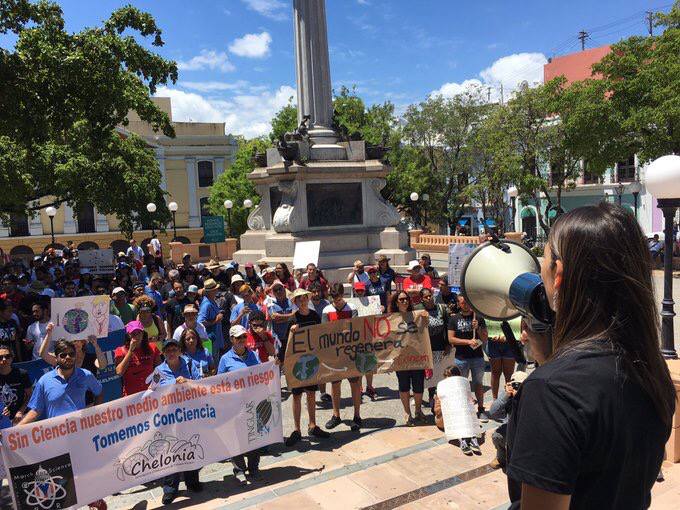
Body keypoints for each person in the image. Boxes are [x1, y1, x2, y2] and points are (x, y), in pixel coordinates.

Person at [506, 203, 676, 510]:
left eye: (542, 265)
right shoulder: (651, 369)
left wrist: (550, 377)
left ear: (558, 275)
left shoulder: (553, 392)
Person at [155, 337, 203, 504]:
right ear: (163, 353)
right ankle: (170, 489)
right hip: (169, 418)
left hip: (189, 415)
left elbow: (199, 383)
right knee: (171, 452)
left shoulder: (189, 364)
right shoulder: (158, 370)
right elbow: (152, 390)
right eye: (168, 350)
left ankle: (192, 482)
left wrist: (186, 382)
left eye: (174, 349)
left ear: (179, 350)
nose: (171, 352)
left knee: (190, 448)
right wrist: (172, 383)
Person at [218, 325, 264, 482]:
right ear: (231, 339)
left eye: (244, 336)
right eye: (238, 338)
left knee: (253, 437)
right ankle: (239, 468)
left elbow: (261, 374)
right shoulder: (225, 359)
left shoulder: (253, 355)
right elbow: (219, 383)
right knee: (235, 438)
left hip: (251, 404)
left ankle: (253, 467)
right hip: (233, 406)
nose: (242, 340)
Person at [285, 289, 330, 446]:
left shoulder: (314, 316)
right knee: (297, 396)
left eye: (304, 298)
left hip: (311, 360)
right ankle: (297, 430)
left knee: (311, 393)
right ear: (296, 302)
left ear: (307, 299)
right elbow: (287, 342)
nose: (303, 301)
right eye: (299, 299)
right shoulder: (293, 318)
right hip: (297, 362)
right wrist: (292, 332)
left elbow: (320, 336)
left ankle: (312, 424)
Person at [322, 283, 362, 431]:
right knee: (335, 384)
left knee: (355, 384)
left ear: (343, 295)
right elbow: (324, 331)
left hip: (351, 353)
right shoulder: (327, 310)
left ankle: (357, 415)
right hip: (334, 354)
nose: (336, 301)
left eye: (338, 298)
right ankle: (336, 415)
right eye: (334, 298)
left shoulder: (352, 308)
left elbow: (356, 327)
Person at [448, 295, 489, 422]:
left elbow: (484, 339)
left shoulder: (479, 318)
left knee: (478, 383)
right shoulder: (454, 319)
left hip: (477, 357)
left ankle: (481, 409)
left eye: (467, 302)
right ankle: (464, 410)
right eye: (462, 302)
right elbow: (451, 339)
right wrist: (468, 342)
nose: (465, 304)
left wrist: (479, 328)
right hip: (461, 358)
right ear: (459, 304)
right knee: (462, 385)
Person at [389, 291, 426, 425]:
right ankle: (407, 412)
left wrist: (425, 317)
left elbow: (423, 332)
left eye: (406, 299)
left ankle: (418, 410)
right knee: (404, 386)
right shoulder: (391, 318)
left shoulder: (416, 315)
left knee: (418, 386)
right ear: (396, 302)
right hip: (401, 358)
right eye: (401, 299)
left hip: (417, 357)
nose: (405, 301)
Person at [415, 287, 452, 411]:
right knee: (431, 378)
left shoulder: (441, 309)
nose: (429, 298)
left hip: (441, 348)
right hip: (428, 350)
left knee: (442, 375)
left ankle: (443, 400)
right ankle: (432, 402)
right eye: (425, 297)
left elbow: (448, 326)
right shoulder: (419, 311)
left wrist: (448, 343)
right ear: (422, 299)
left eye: (430, 295)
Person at [432, 365, 482, 456]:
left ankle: (472, 439)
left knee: (466, 412)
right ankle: (463, 440)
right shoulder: (440, 389)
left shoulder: (462, 386)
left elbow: (470, 402)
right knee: (457, 414)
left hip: (461, 416)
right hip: (445, 418)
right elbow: (437, 410)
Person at [488, 371, 527, 469]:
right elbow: (493, 413)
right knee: (497, 435)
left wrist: (521, 397)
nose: (517, 387)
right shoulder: (508, 394)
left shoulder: (532, 394)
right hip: (512, 427)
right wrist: (505, 396)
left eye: (521, 385)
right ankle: (501, 458)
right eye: (516, 385)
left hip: (528, 430)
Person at [114, 320, 162, 396]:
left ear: (143, 333)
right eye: (133, 334)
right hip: (131, 396)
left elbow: (161, 369)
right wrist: (130, 351)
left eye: (139, 333)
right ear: (128, 335)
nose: (136, 336)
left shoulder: (152, 347)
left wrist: (154, 385)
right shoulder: (121, 350)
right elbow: (119, 372)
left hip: (151, 393)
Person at [0, 344, 32, 427]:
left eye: (7, 356)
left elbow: (30, 395)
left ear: (12, 357)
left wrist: (21, 411)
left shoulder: (22, 374)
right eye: (0, 357)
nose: (4, 359)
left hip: (21, 418)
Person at [486, 320, 517, 400]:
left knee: (509, 374)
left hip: (510, 341)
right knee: (495, 373)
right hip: (493, 342)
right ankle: (495, 400)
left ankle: (509, 399)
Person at [198, 278, 226, 366]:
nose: (217, 290)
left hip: (214, 339)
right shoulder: (206, 304)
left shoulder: (211, 300)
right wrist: (216, 320)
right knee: (213, 364)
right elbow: (200, 322)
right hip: (210, 340)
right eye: (215, 289)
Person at [268, 280, 295, 354]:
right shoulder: (271, 305)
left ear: (284, 289)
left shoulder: (292, 301)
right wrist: (291, 316)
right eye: (276, 290)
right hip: (279, 340)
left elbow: (296, 316)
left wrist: (282, 317)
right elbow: (276, 319)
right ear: (273, 292)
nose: (278, 291)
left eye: (280, 289)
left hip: (293, 338)